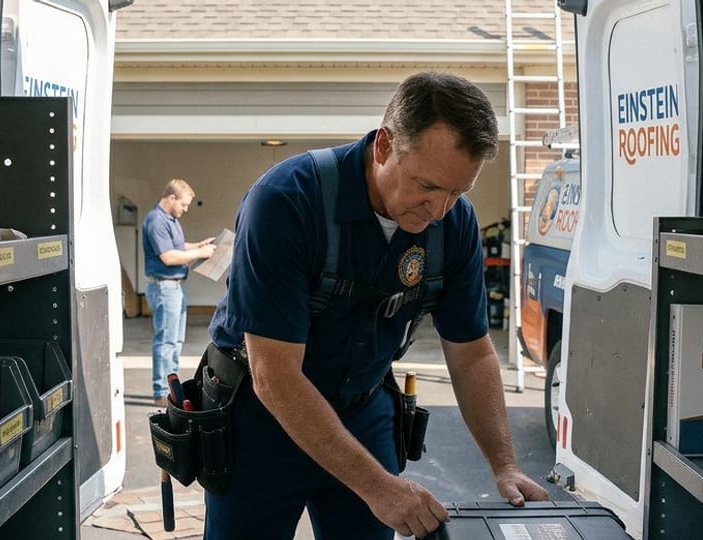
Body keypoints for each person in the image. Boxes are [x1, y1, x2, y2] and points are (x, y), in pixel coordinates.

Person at [205, 71, 549, 539]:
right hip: (261, 418)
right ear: (384, 146)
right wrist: (379, 488)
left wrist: (505, 465)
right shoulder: (287, 201)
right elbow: (276, 376)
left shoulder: (454, 224)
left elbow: (471, 355)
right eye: (428, 186)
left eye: (457, 192)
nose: (440, 211)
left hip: (363, 407)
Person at [142, 178, 216, 407]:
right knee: (166, 342)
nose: (185, 209)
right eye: (183, 204)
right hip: (165, 287)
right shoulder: (156, 220)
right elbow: (169, 256)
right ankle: (162, 392)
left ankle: (171, 390)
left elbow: (177, 247)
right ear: (171, 198)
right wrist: (201, 253)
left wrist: (198, 245)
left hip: (174, 288)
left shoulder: (170, 220)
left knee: (175, 341)